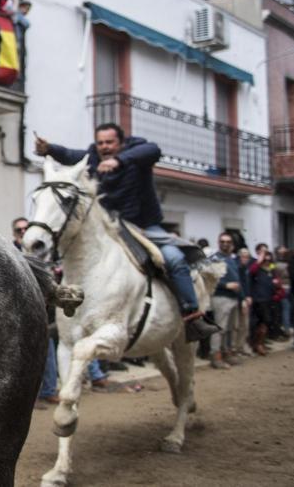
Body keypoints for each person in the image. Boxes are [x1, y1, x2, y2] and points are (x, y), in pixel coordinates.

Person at [35, 124, 218, 342]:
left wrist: (119, 161)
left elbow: (153, 150)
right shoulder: (92, 157)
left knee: (174, 259)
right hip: (111, 228)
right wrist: (49, 149)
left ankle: (192, 316)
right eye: (100, 142)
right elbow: (68, 154)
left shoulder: (139, 151)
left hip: (145, 227)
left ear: (121, 142)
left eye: (109, 142)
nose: (104, 147)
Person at [207, 235, 241, 368]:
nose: (225, 244)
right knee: (219, 329)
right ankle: (215, 356)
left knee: (231, 329)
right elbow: (208, 276)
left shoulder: (231, 259)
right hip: (221, 297)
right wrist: (225, 285)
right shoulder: (214, 258)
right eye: (222, 242)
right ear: (218, 243)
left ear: (232, 244)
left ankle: (227, 353)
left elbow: (238, 279)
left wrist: (243, 298)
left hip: (234, 298)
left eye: (228, 242)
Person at [247, 246, 276, 355]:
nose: (267, 260)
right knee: (259, 323)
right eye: (265, 258)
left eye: (268, 258)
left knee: (265, 323)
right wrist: (259, 260)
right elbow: (251, 272)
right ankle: (257, 344)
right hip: (259, 299)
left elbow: (275, 281)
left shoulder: (271, 269)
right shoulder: (255, 266)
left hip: (269, 299)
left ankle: (260, 343)